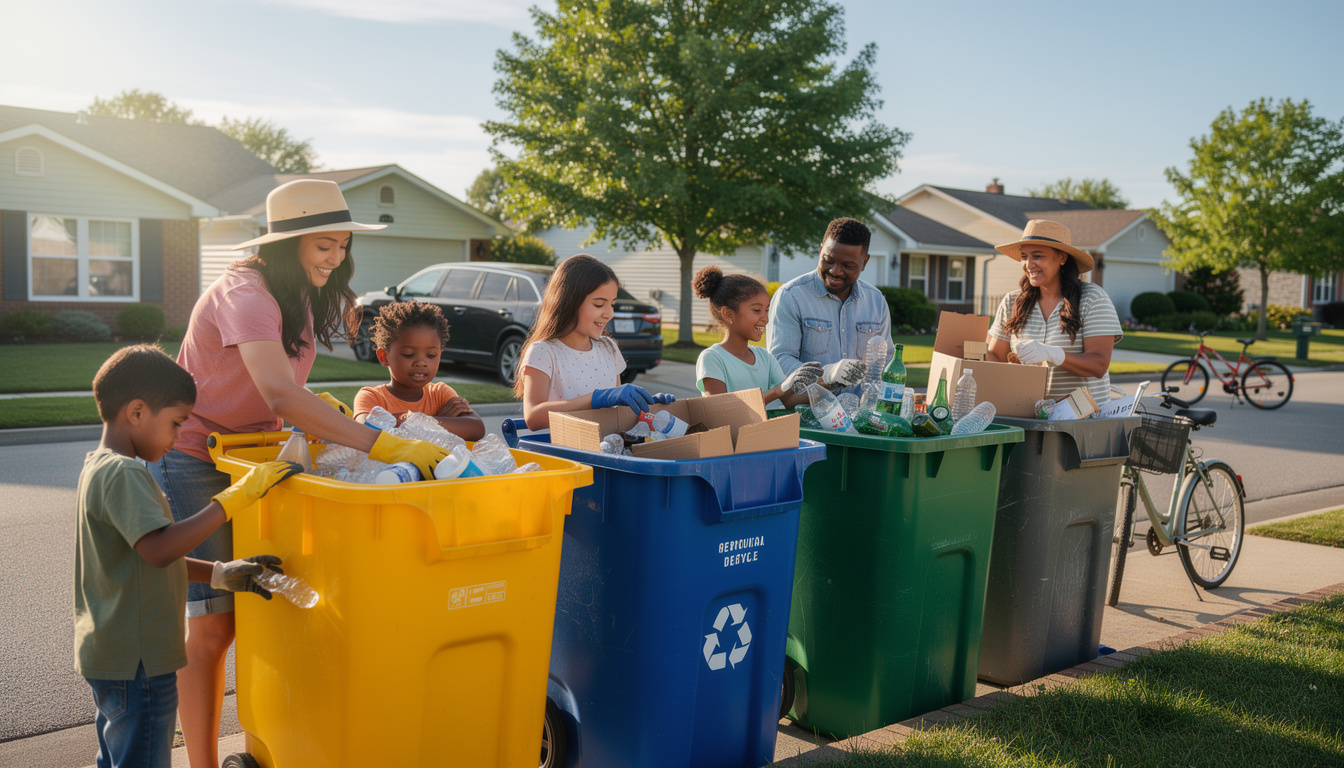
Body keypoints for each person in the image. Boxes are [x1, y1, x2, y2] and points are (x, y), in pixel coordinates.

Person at [149, 179, 451, 768]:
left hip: (256, 455)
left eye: (341, 245)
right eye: (323, 246)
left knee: (275, 600)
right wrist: (381, 444)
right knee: (215, 625)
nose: (336, 257)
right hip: (195, 457)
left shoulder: (298, 296)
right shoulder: (247, 291)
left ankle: (277, 738)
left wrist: (329, 415)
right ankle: (203, 764)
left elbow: (286, 392)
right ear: (288, 245)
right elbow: (278, 392)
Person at [75, 345, 298, 768]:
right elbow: (160, 549)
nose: (179, 438)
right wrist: (231, 499)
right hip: (141, 660)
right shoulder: (125, 474)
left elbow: (142, 556)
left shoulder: (99, 466)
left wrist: (218, 572)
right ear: (137, 412)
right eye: (176, 424)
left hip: (113, 654)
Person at [516, 254, 675, 430]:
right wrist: (595, 399)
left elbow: (616, 410)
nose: (609, 313)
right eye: (599, 304)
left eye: (612, 304)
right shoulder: (543, 351)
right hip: (561, 453)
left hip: (603, 451)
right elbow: (533, 417)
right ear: (568, 302)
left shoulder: (608, 348)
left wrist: (648, 406)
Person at [986, 219, 1123, 405]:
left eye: (1038, 256)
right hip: (1026, 414)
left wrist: (1053, 354)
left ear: (1062, 258)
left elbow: (1099, 365)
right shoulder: (1012, 302)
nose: (1028, 264)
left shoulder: (1092, 299)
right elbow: (995, 354)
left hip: (1081, 420)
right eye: (1024, 256)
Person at [767, 217, 890, 394]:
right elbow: (780, 360)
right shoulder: (791, 296)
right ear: (820, 251)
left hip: (861, 415)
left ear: (865, 262)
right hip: (809, 414)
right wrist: (828, 376)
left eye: (847, 265)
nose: (835, 271)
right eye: (828, 260)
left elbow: (884, 361)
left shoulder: (876, 301)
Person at [692, 265, 821, 410]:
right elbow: (720, 409)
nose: (765, 319)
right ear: (728, 314)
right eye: (757, 310)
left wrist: (829, 382)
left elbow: (790, 400)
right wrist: (777, 390)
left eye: (766, 310)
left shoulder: (765, 357)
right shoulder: (712, 358)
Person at [353, 300, 486, 440]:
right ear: (384, 356)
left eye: (431, 355)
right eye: (408, 354)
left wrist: (404, 421)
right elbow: (367, 432)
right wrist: (438, 420)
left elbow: (476, 428)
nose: (421, 363)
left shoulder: (440, 393)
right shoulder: (372, 397)